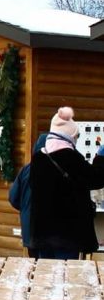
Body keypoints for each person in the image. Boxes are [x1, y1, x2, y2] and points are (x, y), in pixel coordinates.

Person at [29, 106, 104, 259]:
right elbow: (96, 179)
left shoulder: (38, 158)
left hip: (42, 233)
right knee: (65, 277)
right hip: (67, 235)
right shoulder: (70, 157)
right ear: (68, 136)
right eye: (76, 136)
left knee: (45, 276)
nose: (76, 140)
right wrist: (100, 158)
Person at [8, 133, 47, 259]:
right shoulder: (58, 170)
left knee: (35, 264)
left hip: (29, 227)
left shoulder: (26, 170)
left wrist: (25, 208)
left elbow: (13, 198)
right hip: (50, 231)